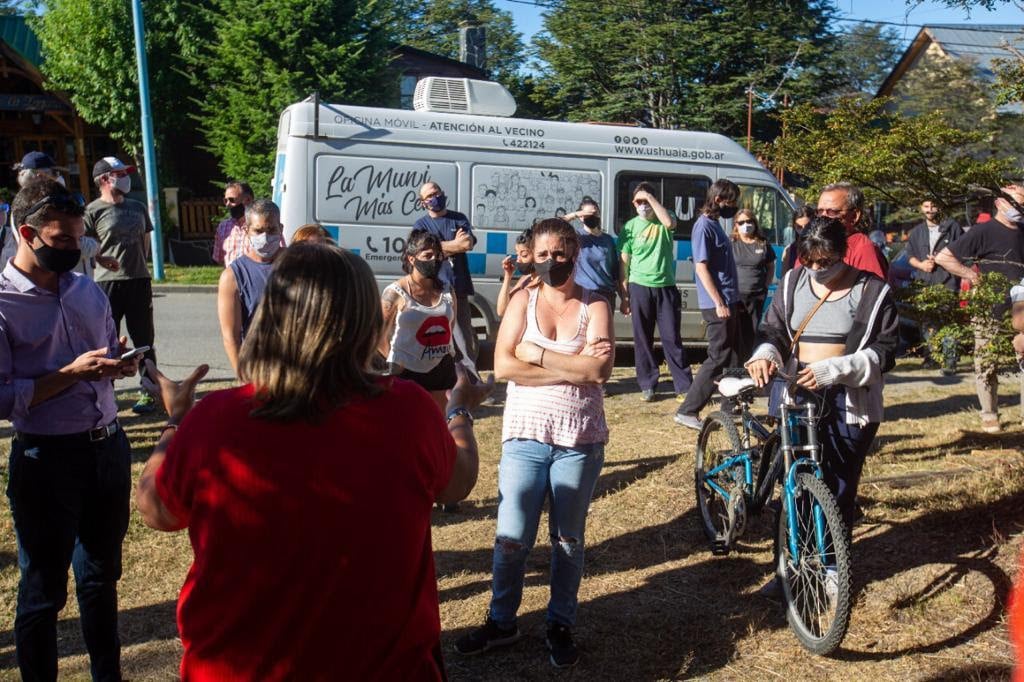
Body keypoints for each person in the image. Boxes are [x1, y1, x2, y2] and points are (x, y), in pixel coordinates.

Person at [135, 243, 488, 680]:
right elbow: (457, 483)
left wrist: (176, 421)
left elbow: (155, 510)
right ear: (361, 322)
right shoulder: (408, 411)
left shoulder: (214, 421)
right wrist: (459, 411)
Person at [455, 218, 613, 669]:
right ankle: (501, 620)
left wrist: (537, 354)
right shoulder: (522, 299)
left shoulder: (595, 304)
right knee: (511, 538)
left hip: (579, 438)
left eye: (561, 253)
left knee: (567, 539)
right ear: (533, 254)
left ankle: (559, 623)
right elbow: (503, 367)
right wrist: (573, 365)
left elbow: (599, 372)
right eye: (543, 254)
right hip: (525, 435)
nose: (551, 261)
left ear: (576, 253)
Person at [2, 178, 142, 682]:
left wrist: (117, 365)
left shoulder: (86, 290)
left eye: (78, 239)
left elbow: (104, 351)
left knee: (101, 580)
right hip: (46, 460)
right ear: (27, 232)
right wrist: (68, 375)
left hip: (106, 450)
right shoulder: (2, 304)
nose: (73, 249)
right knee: (42, 591)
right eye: (61, 240)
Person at [746, 216, 898, 529]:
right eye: (809, 261)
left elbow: (885, 351)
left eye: (825, 262)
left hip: (850, 399)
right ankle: (793, 566)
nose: (817, 269)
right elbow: (773, 329)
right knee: (796, 480)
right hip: (800, 392)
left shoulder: (872, 290)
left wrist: (833, 370)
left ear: (844, 252)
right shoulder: (792, 282)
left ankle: (831, 568)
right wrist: (764, 355)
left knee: (839, 484)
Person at [935, 186, 1024, 433]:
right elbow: (944, 257)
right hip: (989, 308)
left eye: (1022, 205)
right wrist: (971, 276)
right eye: (1015, 204)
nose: (1019, 210)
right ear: (999, 203)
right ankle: (989, 414)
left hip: (1021, 308)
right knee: (986, 361)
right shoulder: (983, 231)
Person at [84, 156, 158, 414]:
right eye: (120, 173)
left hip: (138, 279)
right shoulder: (92, 211)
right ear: (105, 179)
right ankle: (108, 394)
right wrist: (100, 259)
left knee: (144, 338)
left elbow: (145, 243)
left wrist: (141, 267)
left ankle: (149, 391)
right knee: (108, 339)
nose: (126, 177)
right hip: (107, 283)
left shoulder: (137, 207)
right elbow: (85, 247)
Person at [674, 180, 742, 430]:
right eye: (731, 201)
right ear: (719, 199)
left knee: (733, 354)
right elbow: (701, 267)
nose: (734, 206)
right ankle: (688, 410)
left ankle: (730, 406)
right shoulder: (703, 226)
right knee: (718, 356)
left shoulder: (714, 224)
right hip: (718, 303)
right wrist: (718, 301)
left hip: (729, 299)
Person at [617, 182, 693, 401]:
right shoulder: (629, 227)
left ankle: (684, 385)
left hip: (666, 286)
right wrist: (624, 295)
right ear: (633, 204)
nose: (643, 205)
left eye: (646, 201)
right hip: (639, 286)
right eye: (638, 202)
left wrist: (650, 198)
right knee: (642, 338)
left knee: (671, 337)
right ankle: (648, 384)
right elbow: (624, 264)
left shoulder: (664, 217)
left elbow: (670, 222)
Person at [378, 230, 457, 413]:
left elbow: (449, 327)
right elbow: (378, 333)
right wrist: (395, 360)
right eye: (427, 255)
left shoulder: (447, 290)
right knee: (406, 422)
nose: (434, 260)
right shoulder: (395, 292)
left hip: (440, 365)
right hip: (405, 370)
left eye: (437, 255)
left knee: (437, 421)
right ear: (412, 259)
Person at [217, 199, 284, 375]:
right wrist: (245, 378)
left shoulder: (299, 264)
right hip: (260, 370)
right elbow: (231, 338)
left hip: (300, 370)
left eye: (271, 230)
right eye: (258, 230)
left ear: (281, 229)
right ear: (247, 231)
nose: (265, 237)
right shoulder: (233, 277)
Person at [414, 182, 479, 361]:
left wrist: (437, 248)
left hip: (458, 289)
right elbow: (423, 252)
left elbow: (467, 243)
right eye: (429, 196)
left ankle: (469, 382)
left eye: (437, 192)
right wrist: (454, 245)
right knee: (435, 339)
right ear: (423, 202)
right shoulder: (420, 225)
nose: (435, 197)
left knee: (463, 341)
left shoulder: (458, 218)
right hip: (432, 291)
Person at [905, 200, 963, 374]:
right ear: (921, 208)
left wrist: (945, 261)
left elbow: (964, 251)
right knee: (927, 324)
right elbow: (909, 255)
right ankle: (930, 358)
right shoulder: (917, 232)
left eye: (933, 206)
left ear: (940, 207)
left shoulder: (952, 227)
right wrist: (921, 265)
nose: (930, 210)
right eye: (926, 206)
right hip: (924, 283)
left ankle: (949, 362)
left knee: (947, 323)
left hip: (947, 282)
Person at [815, 182, 888, 280]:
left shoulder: (863, 250)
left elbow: (873, 292)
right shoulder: (814, 244)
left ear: (854, 216)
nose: (823, 217)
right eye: (820, 211)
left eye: (832, 212)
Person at [731, 208, 776, 362]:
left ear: (755, 223)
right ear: (736, 225)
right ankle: (733, 369)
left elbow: (771, 266)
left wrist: (766, 286)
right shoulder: (731, 243)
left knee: (752, 332)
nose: (746, 225)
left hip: (756, 295)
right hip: (736, 296)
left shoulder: (762, 243)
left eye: (749, 221)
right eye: (741, 222)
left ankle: (749, 365)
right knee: (735, 333)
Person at [564, 197, 622, 311]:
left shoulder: (608, 240)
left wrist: (624, 298)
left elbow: (615, 272)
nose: (592, 216)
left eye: (595, 213)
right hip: (582, 294)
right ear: (581, 217)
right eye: (588, 214)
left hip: (606, 295)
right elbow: (556, 224)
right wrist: (577, 214)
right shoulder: (577, 237)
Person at [212, 181, 254, 266]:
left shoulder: (263, 225)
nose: (227, 204)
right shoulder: (223, 227)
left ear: (248, 200)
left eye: (231, 200)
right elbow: (219, 259)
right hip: (232, 278)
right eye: (225, 200)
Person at [496, 228, 534, 317]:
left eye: (524, 255)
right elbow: (502, 310)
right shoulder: (526, 278)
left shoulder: (547, 282)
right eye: (517, 254)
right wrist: (508, 275)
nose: (518, 259)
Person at [781, 205, 815, 276]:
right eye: (799, 227)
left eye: (807, 226)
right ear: (794, 226)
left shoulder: (823, 248)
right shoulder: (789, 250)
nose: (803, 230)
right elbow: (784, 278)